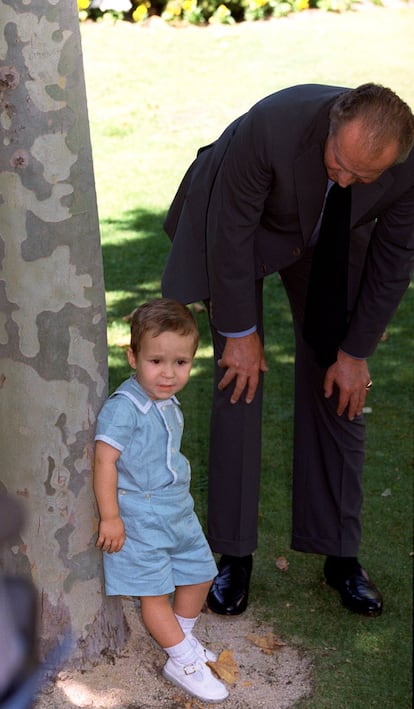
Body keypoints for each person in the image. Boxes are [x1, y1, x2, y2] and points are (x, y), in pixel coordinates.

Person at [161, 83, 414, 618]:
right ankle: (233, 555)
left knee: (341, 380)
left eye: (362, 176)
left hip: (330, 237)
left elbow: (393, 262)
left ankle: (340, 555)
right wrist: (239, 334)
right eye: (338, 162)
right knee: (240, 378)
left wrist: (355, 351)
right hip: (244, 224)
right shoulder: (271, 128)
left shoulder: (406, 170)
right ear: (330, 128)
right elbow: (229, 233)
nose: (344, 178)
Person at [93, 298, 228, 704]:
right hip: (140, 514)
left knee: (201, 572)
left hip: (176, 509)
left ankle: (180, 641)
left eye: (181, 363)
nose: (168, 374)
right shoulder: (125, 408)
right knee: (153, 592)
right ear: (133, 357)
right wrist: (111, 516)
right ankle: (183, 660)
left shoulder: (168, 402)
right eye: (156, 361)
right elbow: (104, 459)